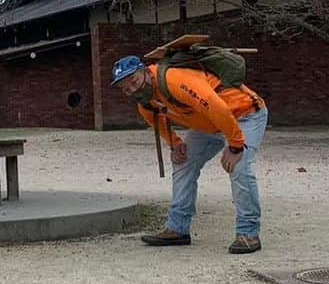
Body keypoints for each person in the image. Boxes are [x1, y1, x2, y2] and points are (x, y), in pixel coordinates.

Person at [111, 54, 268, 253]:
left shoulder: (173, 80)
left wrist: (236, 146)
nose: (132, 90)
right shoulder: (145, 102)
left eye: (133, 81)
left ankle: (249, 233)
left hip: (244, 114)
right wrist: (175, 144)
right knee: (183, 162)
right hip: (210, 124)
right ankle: (177, 228)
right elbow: (156, 122)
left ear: (145, 71)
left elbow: (217, 106)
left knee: (238, 166)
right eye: (126, 89)